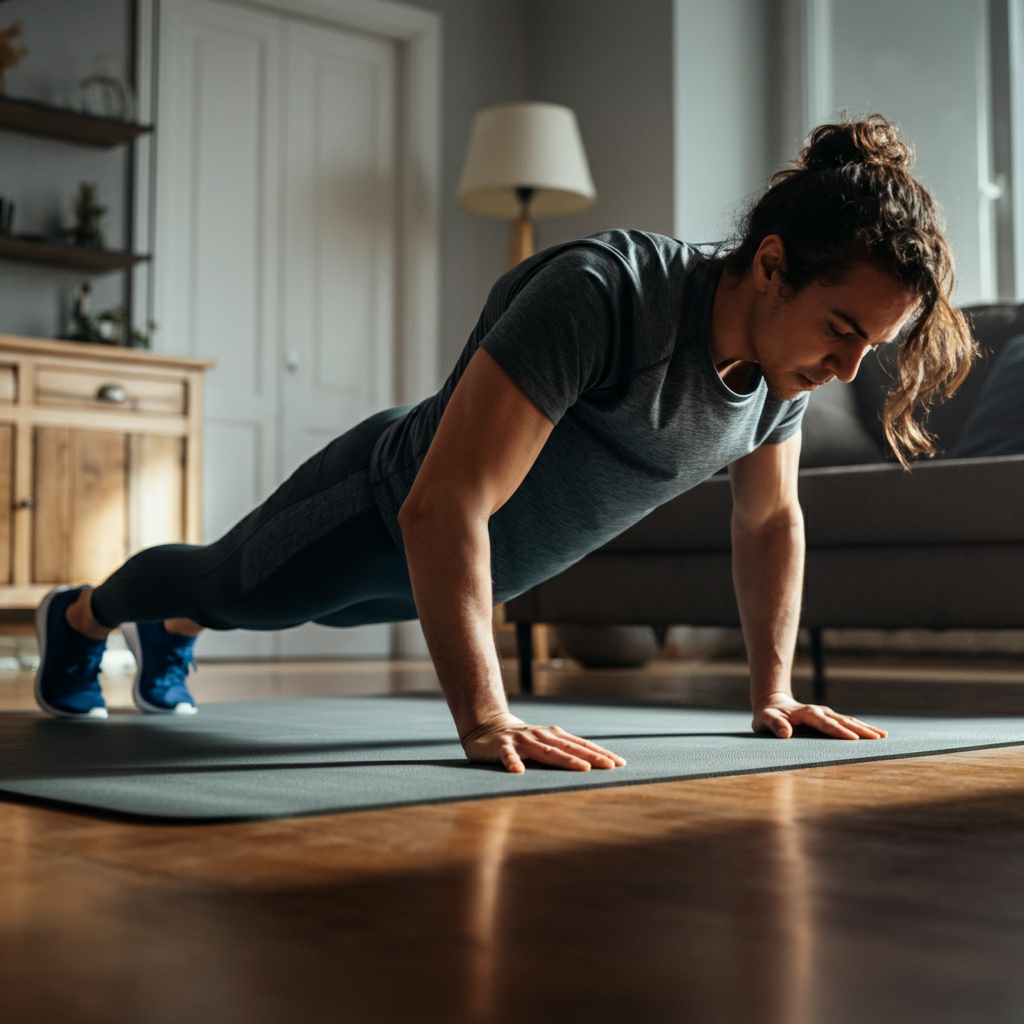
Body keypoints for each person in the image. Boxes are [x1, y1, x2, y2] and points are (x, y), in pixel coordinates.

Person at [33, 116, 974, 773]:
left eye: (871, 348)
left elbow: (770, 520)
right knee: (229, 588)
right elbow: (444, 504)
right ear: (771, 264)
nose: (850, 369)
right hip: (380, 510)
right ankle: (81, 619)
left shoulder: (779, 376)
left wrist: (772, 696)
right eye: (843, 331)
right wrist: (485, 718)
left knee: (291, 613)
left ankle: (176, 634)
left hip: (474, 567)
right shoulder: (606, 295)